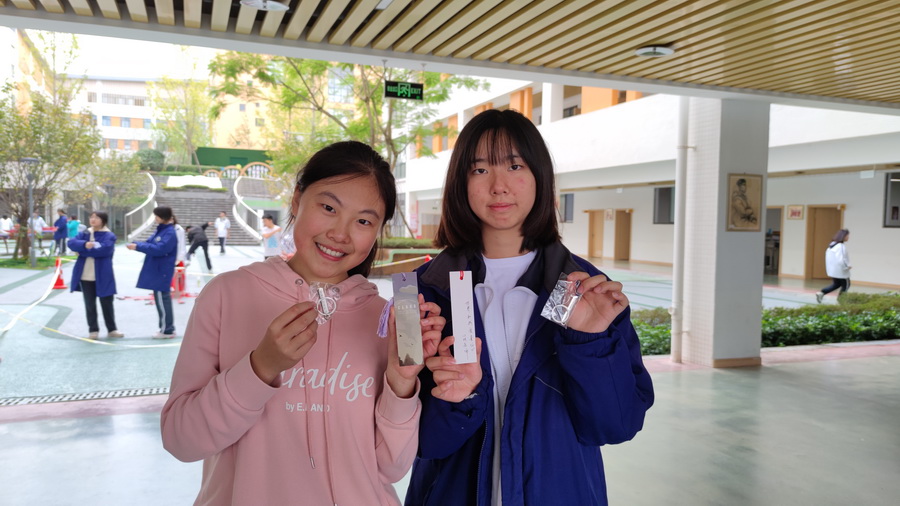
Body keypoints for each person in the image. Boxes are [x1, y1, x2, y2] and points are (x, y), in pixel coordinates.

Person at [160, 141, 441, 505]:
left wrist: (401, 382)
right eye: (329, 208)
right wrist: (260, 367)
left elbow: (391, 468)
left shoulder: (385, 320)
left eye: (363, 221)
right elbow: (181, 440)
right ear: (296, 201)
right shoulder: (225, 295)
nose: (340, 233)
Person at [404, 109, 655, 506]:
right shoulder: (425, 292)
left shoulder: (578, 287)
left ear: (540, 177)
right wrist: (460, 399)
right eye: (480, 169)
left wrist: (587, 342)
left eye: (515, 166)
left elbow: (615, 425)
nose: (499, 186)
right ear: (460, 184)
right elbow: (416, 443)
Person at [68, 211, 124, 339]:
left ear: (103, 220)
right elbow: (71, 243)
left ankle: (112, 329)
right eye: (91, 217)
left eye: (96, 217)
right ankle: (93, 330)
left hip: (103, 274)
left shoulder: (109, 235)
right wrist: (84, 244)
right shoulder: (85, 233)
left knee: (107, 303)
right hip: (85, 275)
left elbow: (104, 251)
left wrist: (82, 251)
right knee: (89, 304)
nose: (93, 219)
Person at [127, 206, 178, 339]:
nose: (155, 218)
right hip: (157, 269)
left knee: (163, 299)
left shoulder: (169, 233)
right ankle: (166, 328)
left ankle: (167, 330)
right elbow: (150, 243)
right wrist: (137, 244)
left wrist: (138, 246)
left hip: (162, 270)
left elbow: (159, 249)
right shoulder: (161, 230)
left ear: (163, 217)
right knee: (160, 299)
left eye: (157, 216)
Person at [816, 228, 851, 303]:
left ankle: (822, 293)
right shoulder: (841, 246)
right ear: (843, 236)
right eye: (847, 235)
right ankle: (841, 300)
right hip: (841, 271)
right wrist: (847, 266)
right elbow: (841, 259)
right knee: (846, 285)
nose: (848, 237)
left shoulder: (831, 245)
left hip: (833, 270)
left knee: (837, 284)